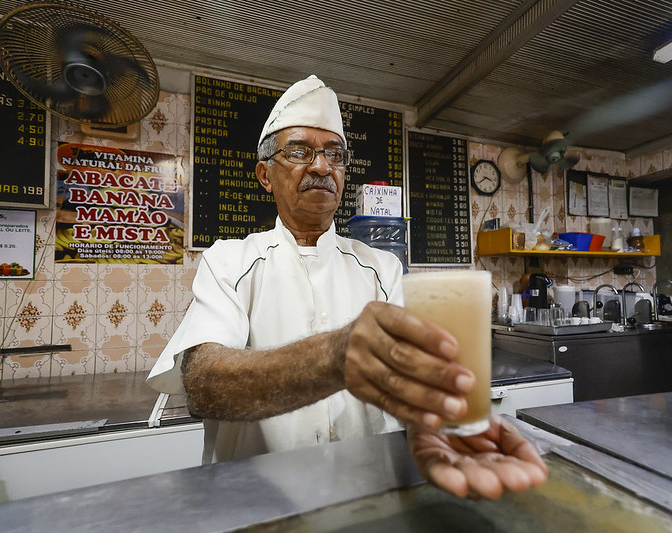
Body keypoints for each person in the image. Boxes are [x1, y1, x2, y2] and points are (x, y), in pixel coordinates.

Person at [147, 75, 547, 499]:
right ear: (265, 174)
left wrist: (445, 423)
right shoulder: (230, 261)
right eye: (299, 151)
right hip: (257, 503)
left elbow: (405, 378)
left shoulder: (381, 269)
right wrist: (333, 357)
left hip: (367, 496)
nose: (321, 167)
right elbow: (204, 384)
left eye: (334, 155)